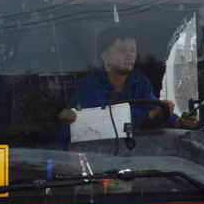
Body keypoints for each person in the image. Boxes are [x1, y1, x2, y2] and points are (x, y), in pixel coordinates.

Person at [67, 24, 197, 136]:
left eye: (132, 50)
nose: (129, 55)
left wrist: (177, 121)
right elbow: (104, 123)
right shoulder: (88, 86)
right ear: (105, 57)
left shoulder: (138, 79)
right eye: (122, 50)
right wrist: (151, 115)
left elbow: (153, 108)